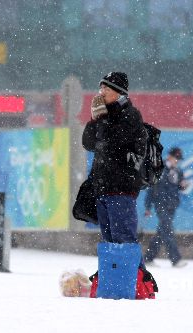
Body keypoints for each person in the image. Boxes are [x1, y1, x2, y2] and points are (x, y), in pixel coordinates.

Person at [82, 72, 147, 245]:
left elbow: (113, 144)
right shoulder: (104, 115)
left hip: (121, 189)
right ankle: (114, 272)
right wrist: (94, 119)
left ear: (118, 92)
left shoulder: (130, 115)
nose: (101, 92)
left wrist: (102, 119)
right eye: (100, 87)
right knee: (109, 240)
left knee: (123, 240)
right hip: (103, 188)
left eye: (106, 88)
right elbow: (88, 143)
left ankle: (136, 272)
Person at [144, 147, 188, 268]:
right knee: (168, 230)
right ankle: (175, 259)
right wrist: (148, 207)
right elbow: (151, 189)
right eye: (176, 158)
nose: (177, 161)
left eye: (179, 159)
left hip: (172, 205)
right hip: (161, 204)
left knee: (161, 232)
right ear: (169, 156)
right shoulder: (159, 168)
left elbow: (177, 187)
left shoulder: (178, 171)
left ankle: (148, 257)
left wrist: (183, 185)